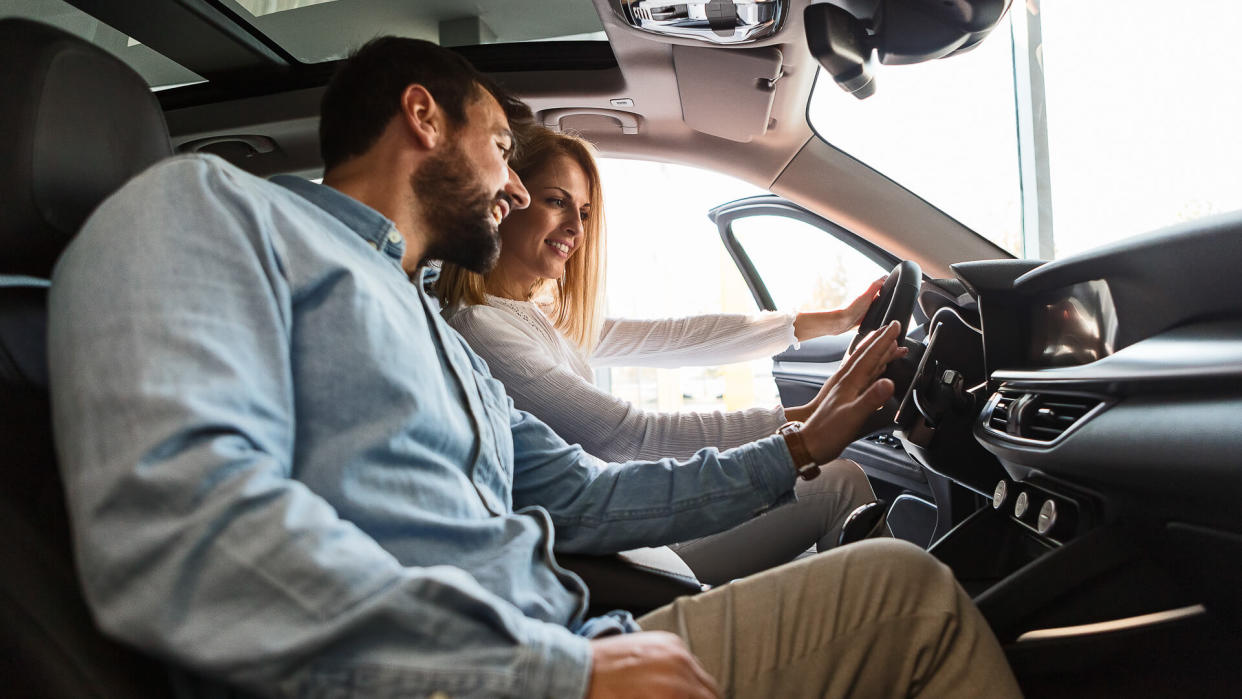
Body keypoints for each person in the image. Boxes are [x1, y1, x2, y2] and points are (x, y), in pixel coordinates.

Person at [48, 35, 1021, 698]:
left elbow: (591, 498)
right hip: (487, 675)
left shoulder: (427, 318)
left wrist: (800, 445)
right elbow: (182, 530)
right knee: (907, 599)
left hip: (559, 646)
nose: (516, 188)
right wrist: (553, 675)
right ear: (423, 117)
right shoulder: (209, 209)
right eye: (504, 148)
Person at [436, 126, 892, 584]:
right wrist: (809, 418)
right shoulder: (482, 329)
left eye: (585, 211)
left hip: (634, 529)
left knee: (831, 498)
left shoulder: (540, 317)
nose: (576, 228)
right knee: (839, 483)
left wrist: (833, 321)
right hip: (629, 547)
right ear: (508, 199)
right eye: (557, 201)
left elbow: (680, 338)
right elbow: (633, 439)